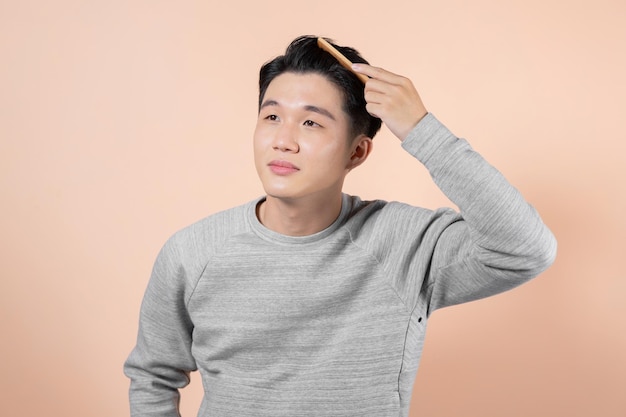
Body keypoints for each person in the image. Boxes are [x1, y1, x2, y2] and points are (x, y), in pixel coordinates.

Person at [124, 35, 557, 417]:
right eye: (271, 117)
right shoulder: (193, 252)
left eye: (311, 122)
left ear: (357, 153)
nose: (283, 140)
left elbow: (525, 249)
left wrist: (422, 131)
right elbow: (153, 375)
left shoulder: (405, 244)